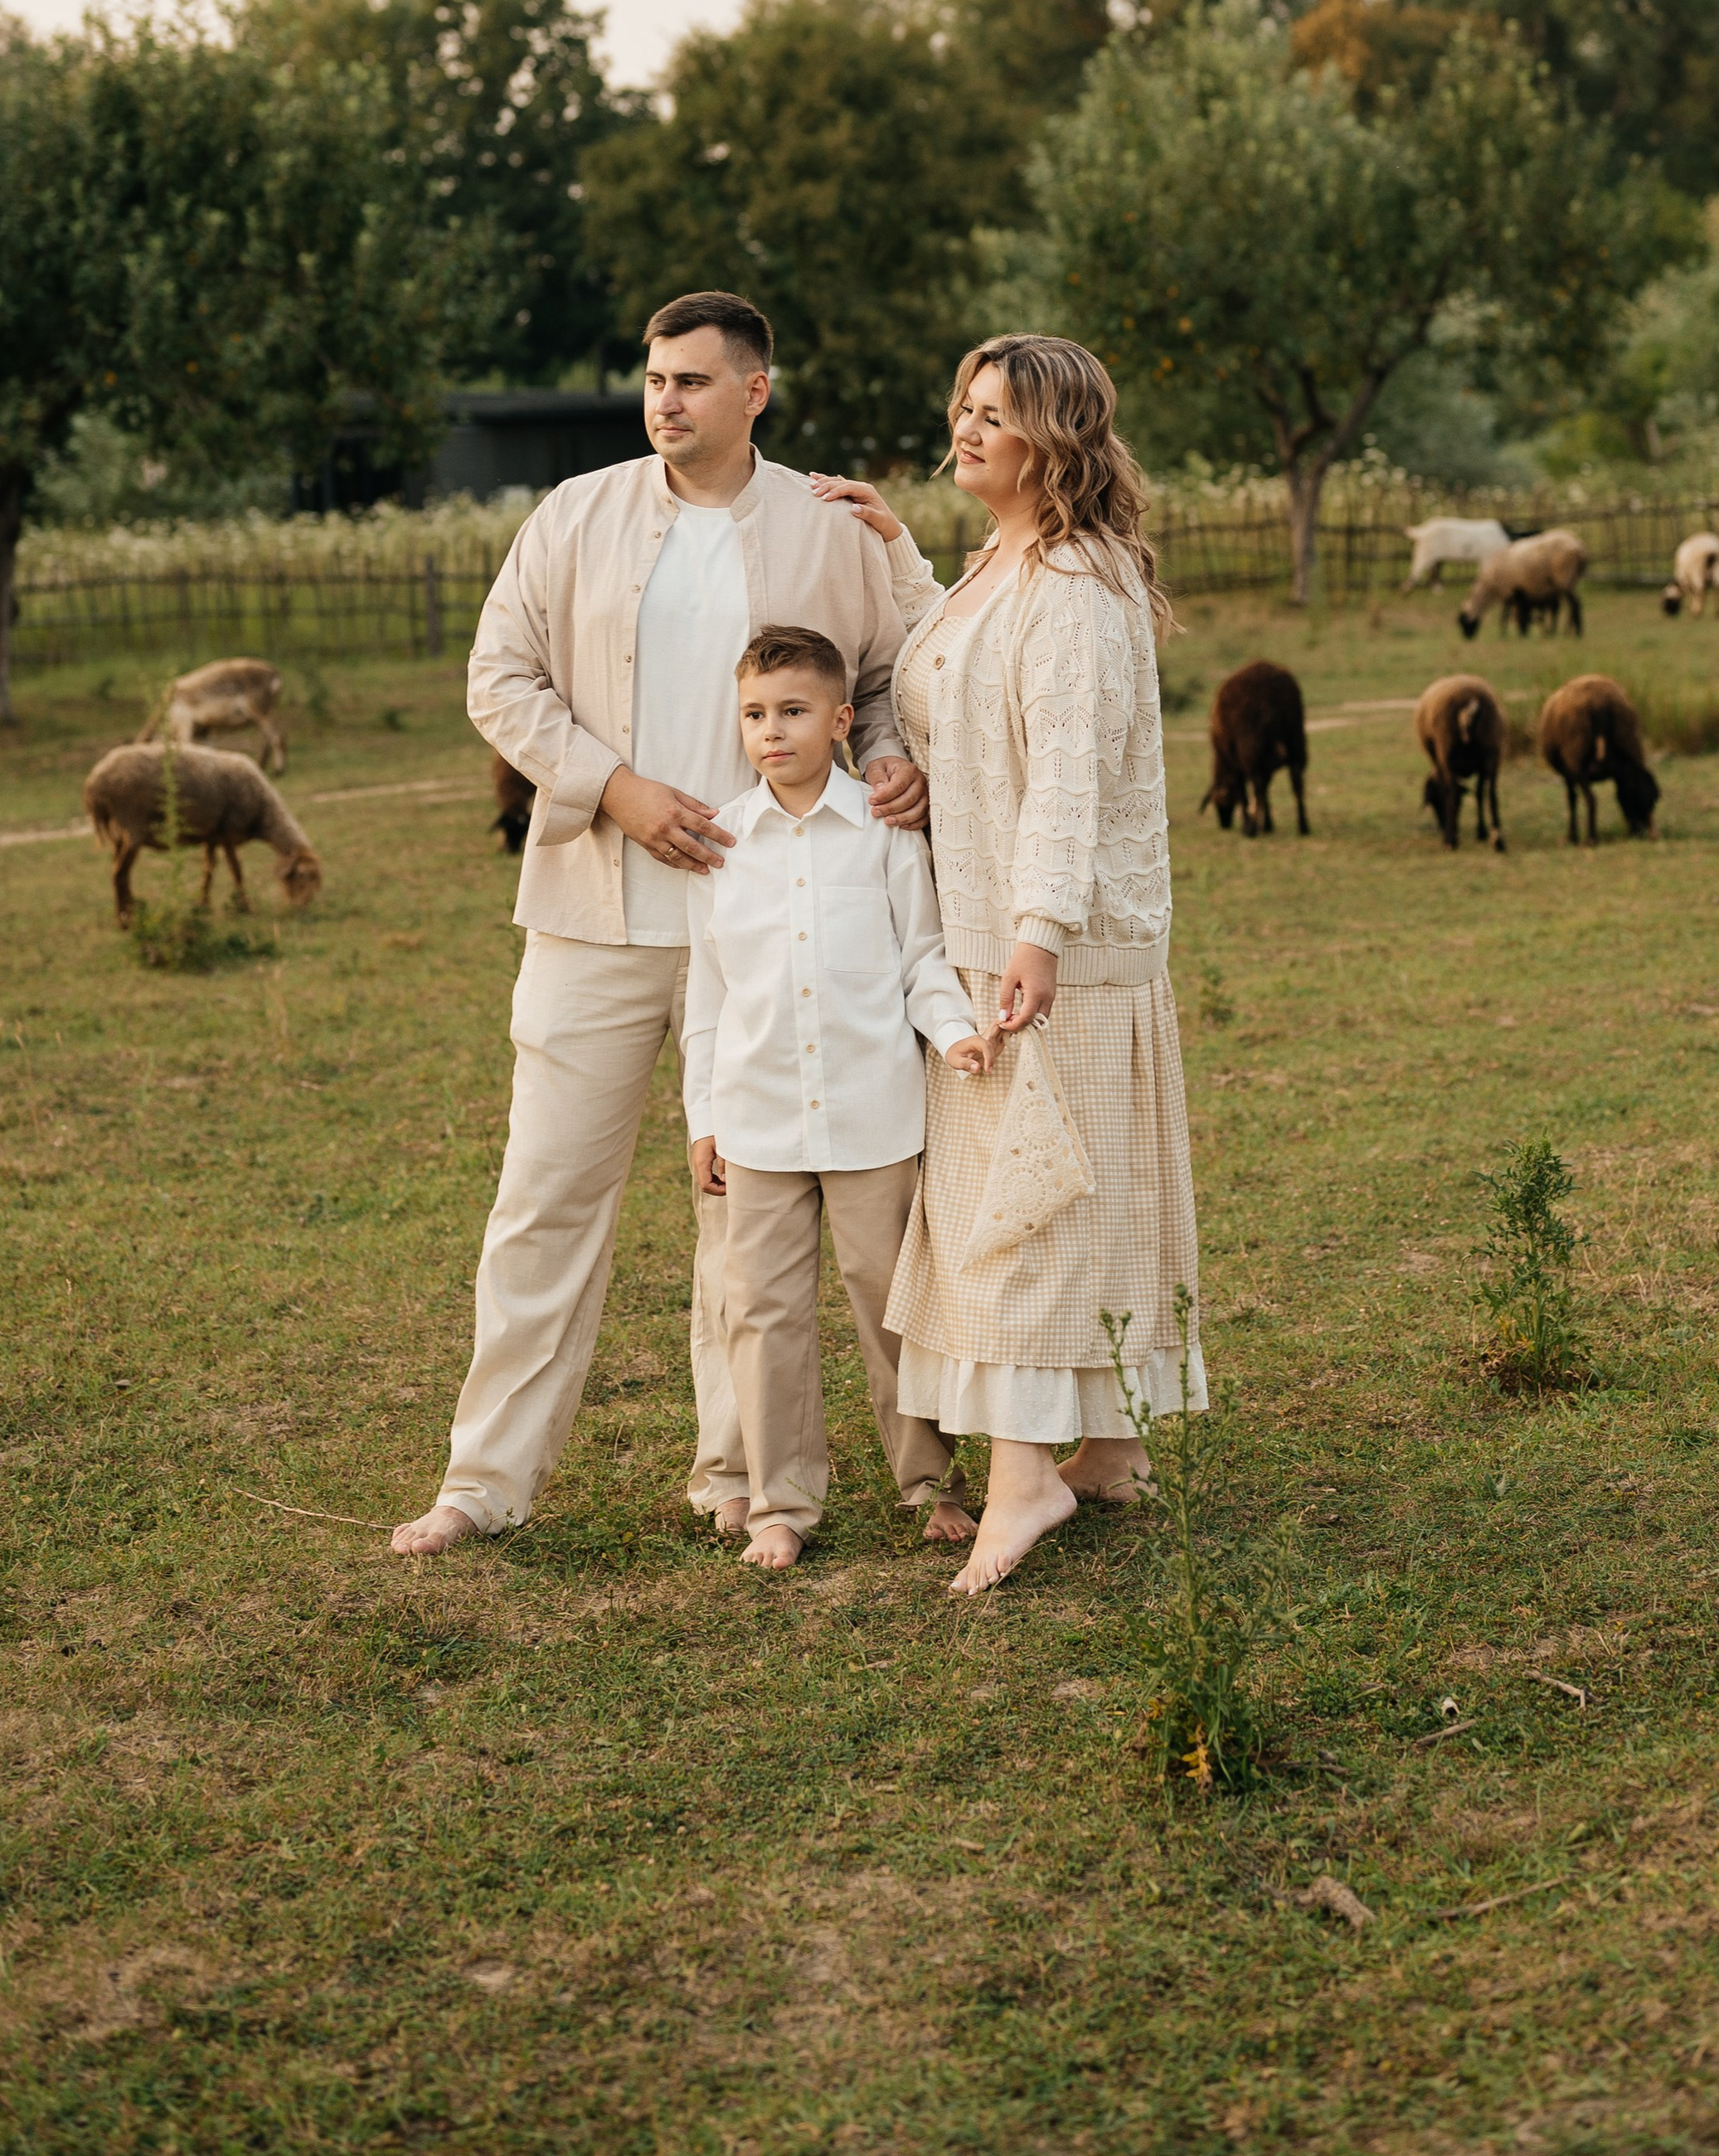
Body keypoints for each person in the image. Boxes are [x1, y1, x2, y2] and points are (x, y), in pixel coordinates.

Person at [391, 291, 933, 1557]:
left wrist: (891, 758)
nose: (665, 399)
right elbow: (498, 677)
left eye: (692, 379)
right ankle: (485, 1480)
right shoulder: (574, 516)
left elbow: (885, 683)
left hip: (774, 929)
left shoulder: (829, 526)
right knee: (544, 1196)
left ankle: (734, 1472)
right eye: (654, 378)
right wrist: (615, 788)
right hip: (595, 912)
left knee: (739, 1208)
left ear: (756, 390)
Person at [814, 332, 1204, 1597]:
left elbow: (1070, 778)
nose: (966, 428)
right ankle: (1109, 1447)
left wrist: (1037, 932)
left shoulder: (1076, 584)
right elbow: (954, 663)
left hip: (1048, 946)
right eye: (964, 406)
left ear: (1057, 440)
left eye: (995, 413)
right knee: (1072, 1198)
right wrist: (898, 553)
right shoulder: (1004, 561)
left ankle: (1026, 1474)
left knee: (1026, 1205)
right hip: (995, 924)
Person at [684, 624, 990, 1571]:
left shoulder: (886, 834)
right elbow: (707, 999)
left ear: (841, 719)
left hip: (873, 1117)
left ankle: (931, 1482)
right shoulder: (723, 845)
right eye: (754, 714)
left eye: (792, 710)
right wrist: (704, 1119)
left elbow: (921, 959)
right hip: (759, 1123)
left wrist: (955, 1032)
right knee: (763, 1315)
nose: (771, 731)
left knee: (891, 1304)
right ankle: (780, 1502)